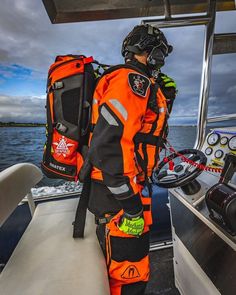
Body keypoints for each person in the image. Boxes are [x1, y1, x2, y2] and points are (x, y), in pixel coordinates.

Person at [86, 24, 177, 295]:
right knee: (128, 276)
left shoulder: (140, 83)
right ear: (147, 51)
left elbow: (140, 131)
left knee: (132, 264)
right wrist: (131, 206)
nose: (162, 59)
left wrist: (165, 99)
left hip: (125, 187)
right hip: (118, 194)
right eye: (160, 52)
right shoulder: (131, 81)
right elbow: (110, 145)